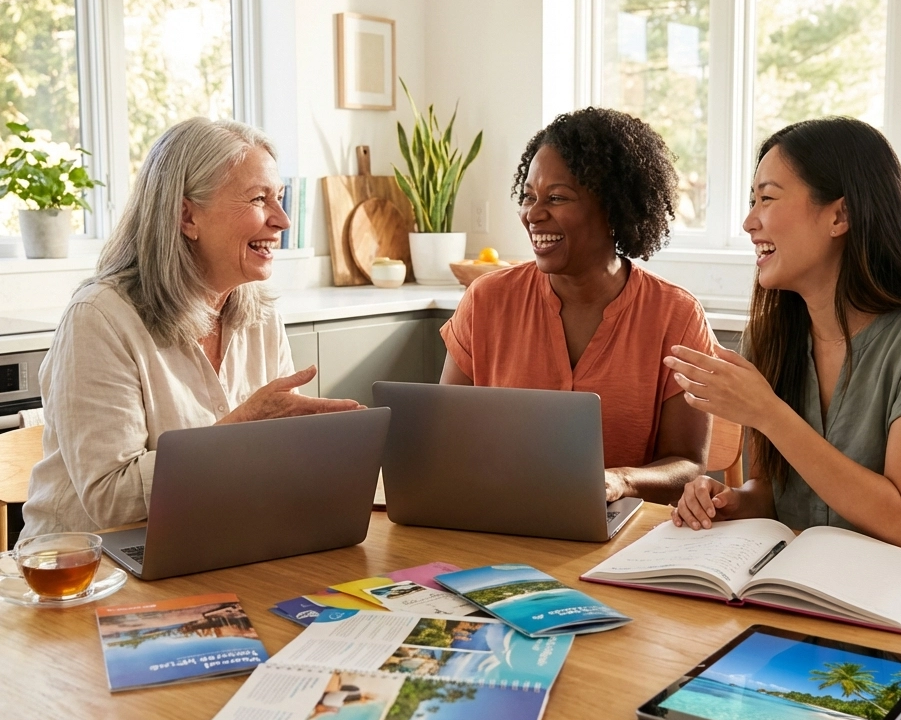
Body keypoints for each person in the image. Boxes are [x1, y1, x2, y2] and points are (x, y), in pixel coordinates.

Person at [666, 117, 901, 560]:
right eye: (752, 200)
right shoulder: (770, 336)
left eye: (766, 198)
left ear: (840, 215)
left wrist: (768, 412)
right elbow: (769, 491)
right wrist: (729, 503)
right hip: (810, 587)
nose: (748, 222)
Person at [22, 118, 361, 537]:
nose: (282, 220)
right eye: (259, 199)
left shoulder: (262, 315)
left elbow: (276, 462)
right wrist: (239, 433)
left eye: (280, 197)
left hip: (211, 545)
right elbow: (110, 501)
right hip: (91, 570)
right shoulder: (100, 318)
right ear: (187, 216)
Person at [439, 106, 713, 504]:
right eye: (528, 197)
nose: (533, 214)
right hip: (498, 522)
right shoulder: (486, 300)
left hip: (619, 537)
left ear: (613, 207)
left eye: (557, 197)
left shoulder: (676, 316)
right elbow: (445, 438)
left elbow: (687, 463)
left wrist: (622, 481)